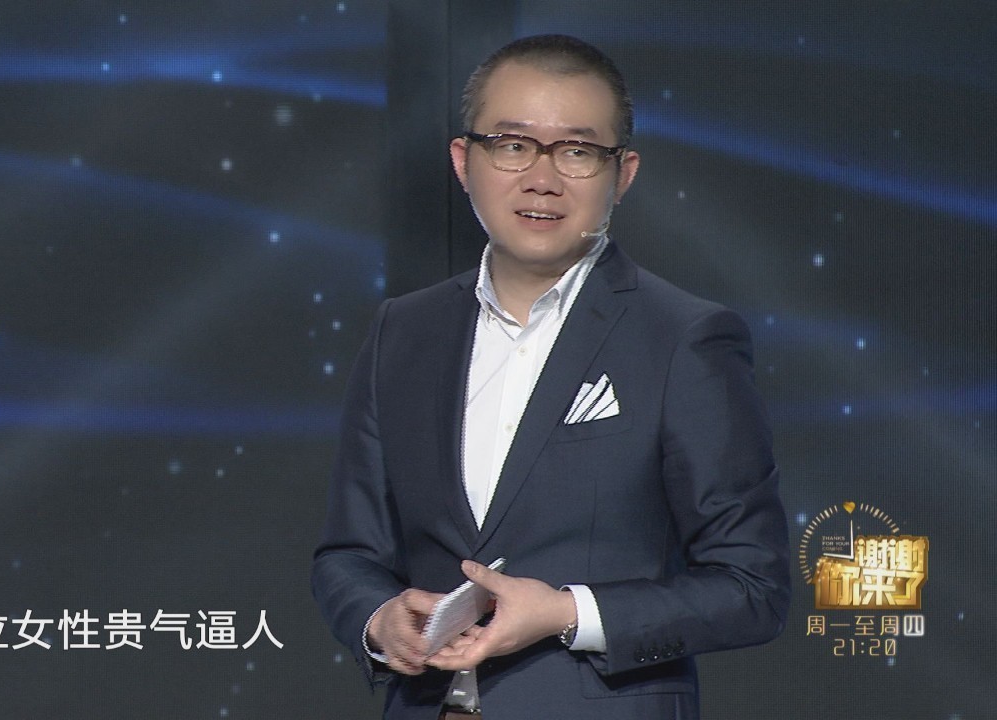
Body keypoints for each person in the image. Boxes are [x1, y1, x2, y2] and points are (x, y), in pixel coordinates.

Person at [312, 34, 790, 720]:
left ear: (622, 173)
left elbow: (753, 587)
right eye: (512, 145)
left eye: (576, 152)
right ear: (463, 161)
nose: (542, 178)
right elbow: (348, 554)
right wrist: (379, 620)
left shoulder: (684, 338)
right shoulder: (403, 331)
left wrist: (567, 613)